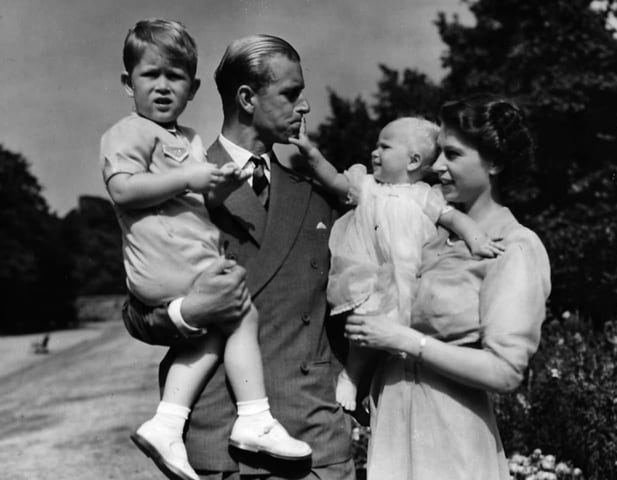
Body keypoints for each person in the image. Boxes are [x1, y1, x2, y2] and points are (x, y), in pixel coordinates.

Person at [121, 33, 355, 480]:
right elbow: (135, 312)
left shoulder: (319, 195)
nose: (304, 106)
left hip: (313, 442)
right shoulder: (172, 184)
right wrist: (188, 312)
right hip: (219, 443)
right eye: (291, 93)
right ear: (246, 98)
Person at [343, 94, 552, 480]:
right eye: (437, 153)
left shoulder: (514, 246)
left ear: (495, 162)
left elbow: (505, 371)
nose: (437, 166)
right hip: (391, 434)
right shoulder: (428, 235)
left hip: (453, 445)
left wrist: (407, 341)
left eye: (452, 155)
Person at [289, 117, 504, 412]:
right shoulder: (367, 186)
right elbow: (335, 181)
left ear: (413, 160)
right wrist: (311, 153)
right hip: (370, 274)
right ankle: (351, 376)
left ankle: (373, 390)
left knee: (397, 339)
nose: (374, 152)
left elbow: (455, 219)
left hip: (410, 278)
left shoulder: (425, 196)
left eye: (384, 147)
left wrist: (476, 238)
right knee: (366, 326)